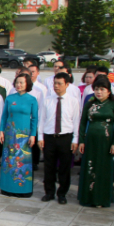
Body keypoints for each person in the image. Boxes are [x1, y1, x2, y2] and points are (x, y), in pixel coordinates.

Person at [78, 75, 114, 208]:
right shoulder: (90, 104)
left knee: (103, 168)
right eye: (96, 89)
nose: (99, 92)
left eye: (102, 89)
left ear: (109, 91)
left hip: (107, 141)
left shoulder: (113, 105)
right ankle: (88, 197)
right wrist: (81, 141)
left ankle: (101, 199)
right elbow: (82, 123)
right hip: (91, 140)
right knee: (90, 167)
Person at [38, 72, 80, 204]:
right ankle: (49, 192)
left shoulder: (73, 101)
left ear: (67, 84)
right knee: (49, 167)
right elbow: (42, 119)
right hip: (49, 137)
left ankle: (62, 193)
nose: (56, 86)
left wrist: (75, 139)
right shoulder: (47, 100)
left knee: (64, 168)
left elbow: (76, 121)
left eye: (59, 83)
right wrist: (40, 137)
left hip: (65, 137)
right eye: (54, 83)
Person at [0, 73, 39, 197]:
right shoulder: (10, 98)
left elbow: (35, 118)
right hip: (10, 135)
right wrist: (1, 130)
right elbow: (4, 116)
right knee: (9, 159)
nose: (19, 85)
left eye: (22, 82)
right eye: (17, 82)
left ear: (27, 84)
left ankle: (23, 189)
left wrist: (33, 134)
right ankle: (7, 187)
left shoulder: (32, 99)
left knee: (22, 161)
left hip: (24, 136)